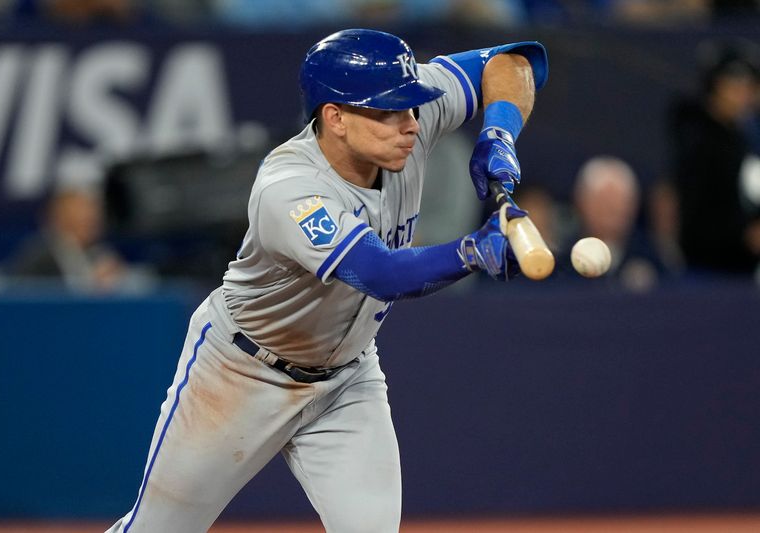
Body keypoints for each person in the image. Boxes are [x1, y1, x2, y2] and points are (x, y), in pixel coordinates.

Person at [106, 28, 548, 533]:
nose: (410, 124)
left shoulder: (406, 118)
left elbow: (515, 61)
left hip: (346, 379)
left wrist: (499, 133)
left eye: (411, 107)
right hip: (242, 373)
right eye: (389, 111)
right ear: (335, 117)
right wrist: (471, 251)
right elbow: (380, 274)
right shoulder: (291, 188)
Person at [668, 40, 760, 277]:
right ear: (714, 88)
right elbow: (696, 215)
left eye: (747, 87)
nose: (742, 95)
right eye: (733, 86)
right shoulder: (696, 140)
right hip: (708, 271)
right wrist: (742, 235)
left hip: (745, 270)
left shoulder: (746, 137)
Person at [564, 156, 665, 291]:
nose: (611, 210)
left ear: (634, 205)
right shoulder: (564, 263)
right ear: (582, 203)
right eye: (603, 202)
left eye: (618, 202)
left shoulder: (653, 258)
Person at [7, 187, 128, 292]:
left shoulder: (102, 253)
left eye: (92, 216)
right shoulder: (40, 255)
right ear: (60, 219)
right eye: (82, 216)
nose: (90, 219)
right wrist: (91, 283)